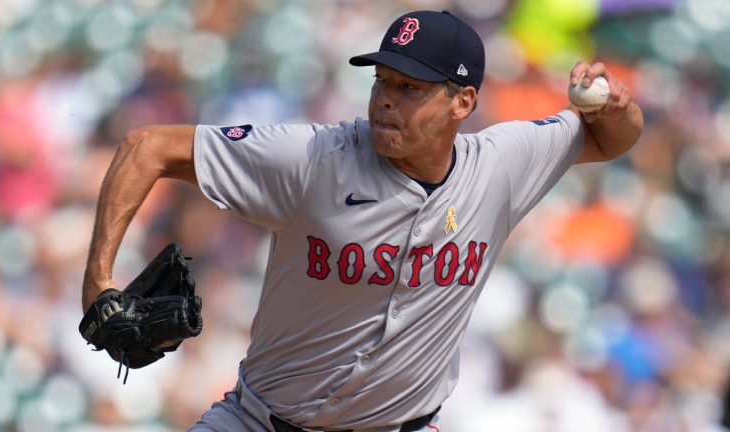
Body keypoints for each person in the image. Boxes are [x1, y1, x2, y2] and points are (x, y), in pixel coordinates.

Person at [81, 9, 643, 432]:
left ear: (463, 103)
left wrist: (618, 106)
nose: (385, 101)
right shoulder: (312, 159)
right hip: (259, 421)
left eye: (409, 88)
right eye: (382, 81)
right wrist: (97, 282)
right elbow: (147, 146)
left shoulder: (502, 164)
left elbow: (608, 135)